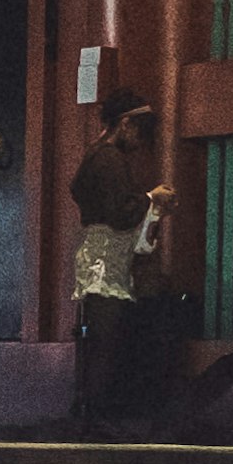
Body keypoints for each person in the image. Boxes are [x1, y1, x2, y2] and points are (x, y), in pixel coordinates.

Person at [65, 103, 169, 435]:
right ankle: (96, 411)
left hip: (97, 250)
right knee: (107, 334)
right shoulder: (109, 158)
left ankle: (89, 407)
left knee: (99, 330)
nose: (139, 141)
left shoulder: (94, 155)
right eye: (138, 131)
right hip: (106, 254)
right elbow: (121, 211)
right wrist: (153, 197)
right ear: (125, 124)